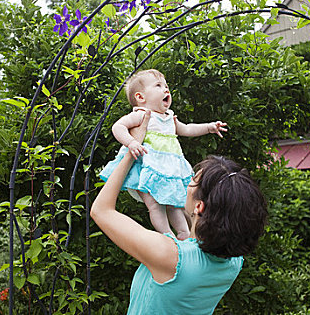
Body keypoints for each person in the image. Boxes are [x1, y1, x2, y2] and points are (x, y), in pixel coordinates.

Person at [91, 110, 268, 314]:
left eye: (192, 180)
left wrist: (132, 150)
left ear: (199, 207)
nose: (186, 182)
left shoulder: (170, 257)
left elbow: (101, 211)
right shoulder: (233, 262)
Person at [99, 69, 227, 240]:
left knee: (174, 203)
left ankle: (183, 234)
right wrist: (131, 142)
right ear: (141, 97)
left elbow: (187, 128)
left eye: (166, 86)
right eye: (158, 86)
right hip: (149, 167)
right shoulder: (142, 114)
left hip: (170, 169)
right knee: (154, 204)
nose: (166, 90)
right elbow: (118, 127)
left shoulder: (169, 117)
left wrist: (209, 127)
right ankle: (166, 235)